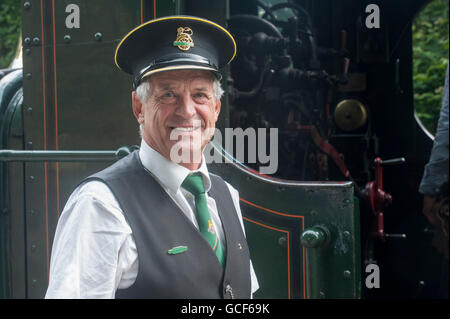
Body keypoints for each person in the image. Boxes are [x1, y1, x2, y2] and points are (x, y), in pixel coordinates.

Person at [45, 15, 259, 299]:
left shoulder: (226, 195)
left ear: (217, 108)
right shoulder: (100, 206)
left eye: (200, 96)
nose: (187, 111)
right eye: (168, 95)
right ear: (139, 107)